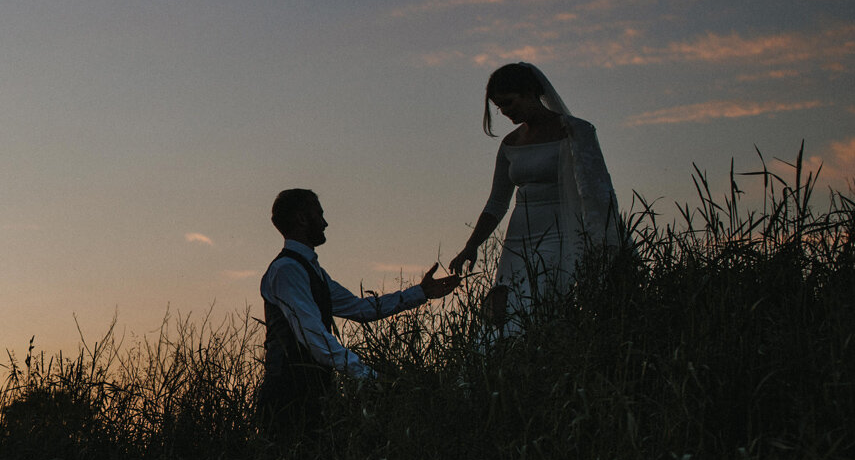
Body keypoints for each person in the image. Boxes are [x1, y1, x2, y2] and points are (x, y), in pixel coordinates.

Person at [259, 188, 461, 429]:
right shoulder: (287, 271)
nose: (325, 223)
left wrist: (421, 293)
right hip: (287, 396)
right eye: (319, 214)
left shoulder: (312, 271)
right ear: (302, 219)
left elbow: (360, 308)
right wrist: (367, 375)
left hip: (314, 391)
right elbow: (314, 336)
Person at [448, 61, 625, 326]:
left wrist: (599, 239)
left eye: (509, 103)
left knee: (543, 303)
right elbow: (497, 202)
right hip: (518, 238)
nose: (505, 112)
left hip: (561, 233)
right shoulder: (510, 143)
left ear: (530, 92)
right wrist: (471, 245)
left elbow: (598, 191)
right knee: (506, 309)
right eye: (500, 107)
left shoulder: (577, 131)